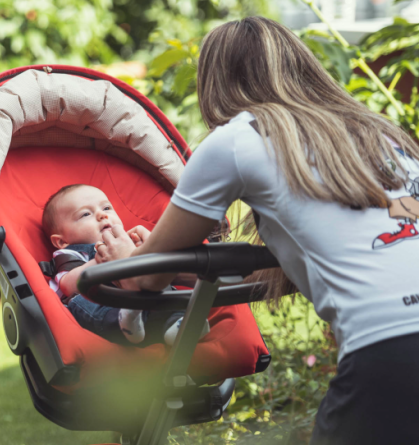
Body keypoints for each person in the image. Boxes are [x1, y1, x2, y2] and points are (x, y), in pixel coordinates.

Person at [95, 16, 419, 445]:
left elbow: (146, 277)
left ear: (216, 82)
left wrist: (123, 264)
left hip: (390, 348)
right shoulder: (379, 133)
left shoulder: (237, 139)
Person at [42, 183, 209, 346]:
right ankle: (123, 324)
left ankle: (178, 324)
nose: (102, 215)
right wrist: (98, 262)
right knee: (80, 304)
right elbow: (67, 285)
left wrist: (146, 252)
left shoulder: (129, 242)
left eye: (106, 208)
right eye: (86, 214)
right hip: (104, 305)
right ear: (61, 241)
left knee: (160, 286)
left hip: (140, 305)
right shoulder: (72, 252)